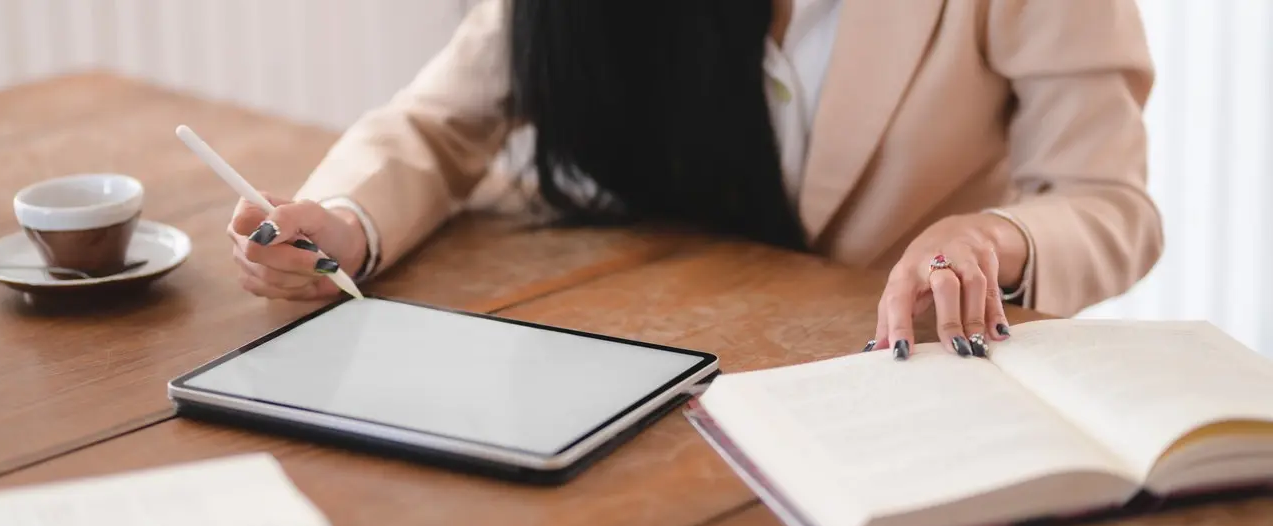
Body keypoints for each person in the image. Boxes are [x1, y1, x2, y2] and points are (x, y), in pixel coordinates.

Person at [228, 0, 1163, 361]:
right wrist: (347, 221)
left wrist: (994, 241)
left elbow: (1109, 201)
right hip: (630, 353)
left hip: (885, 368)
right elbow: (436, 123)